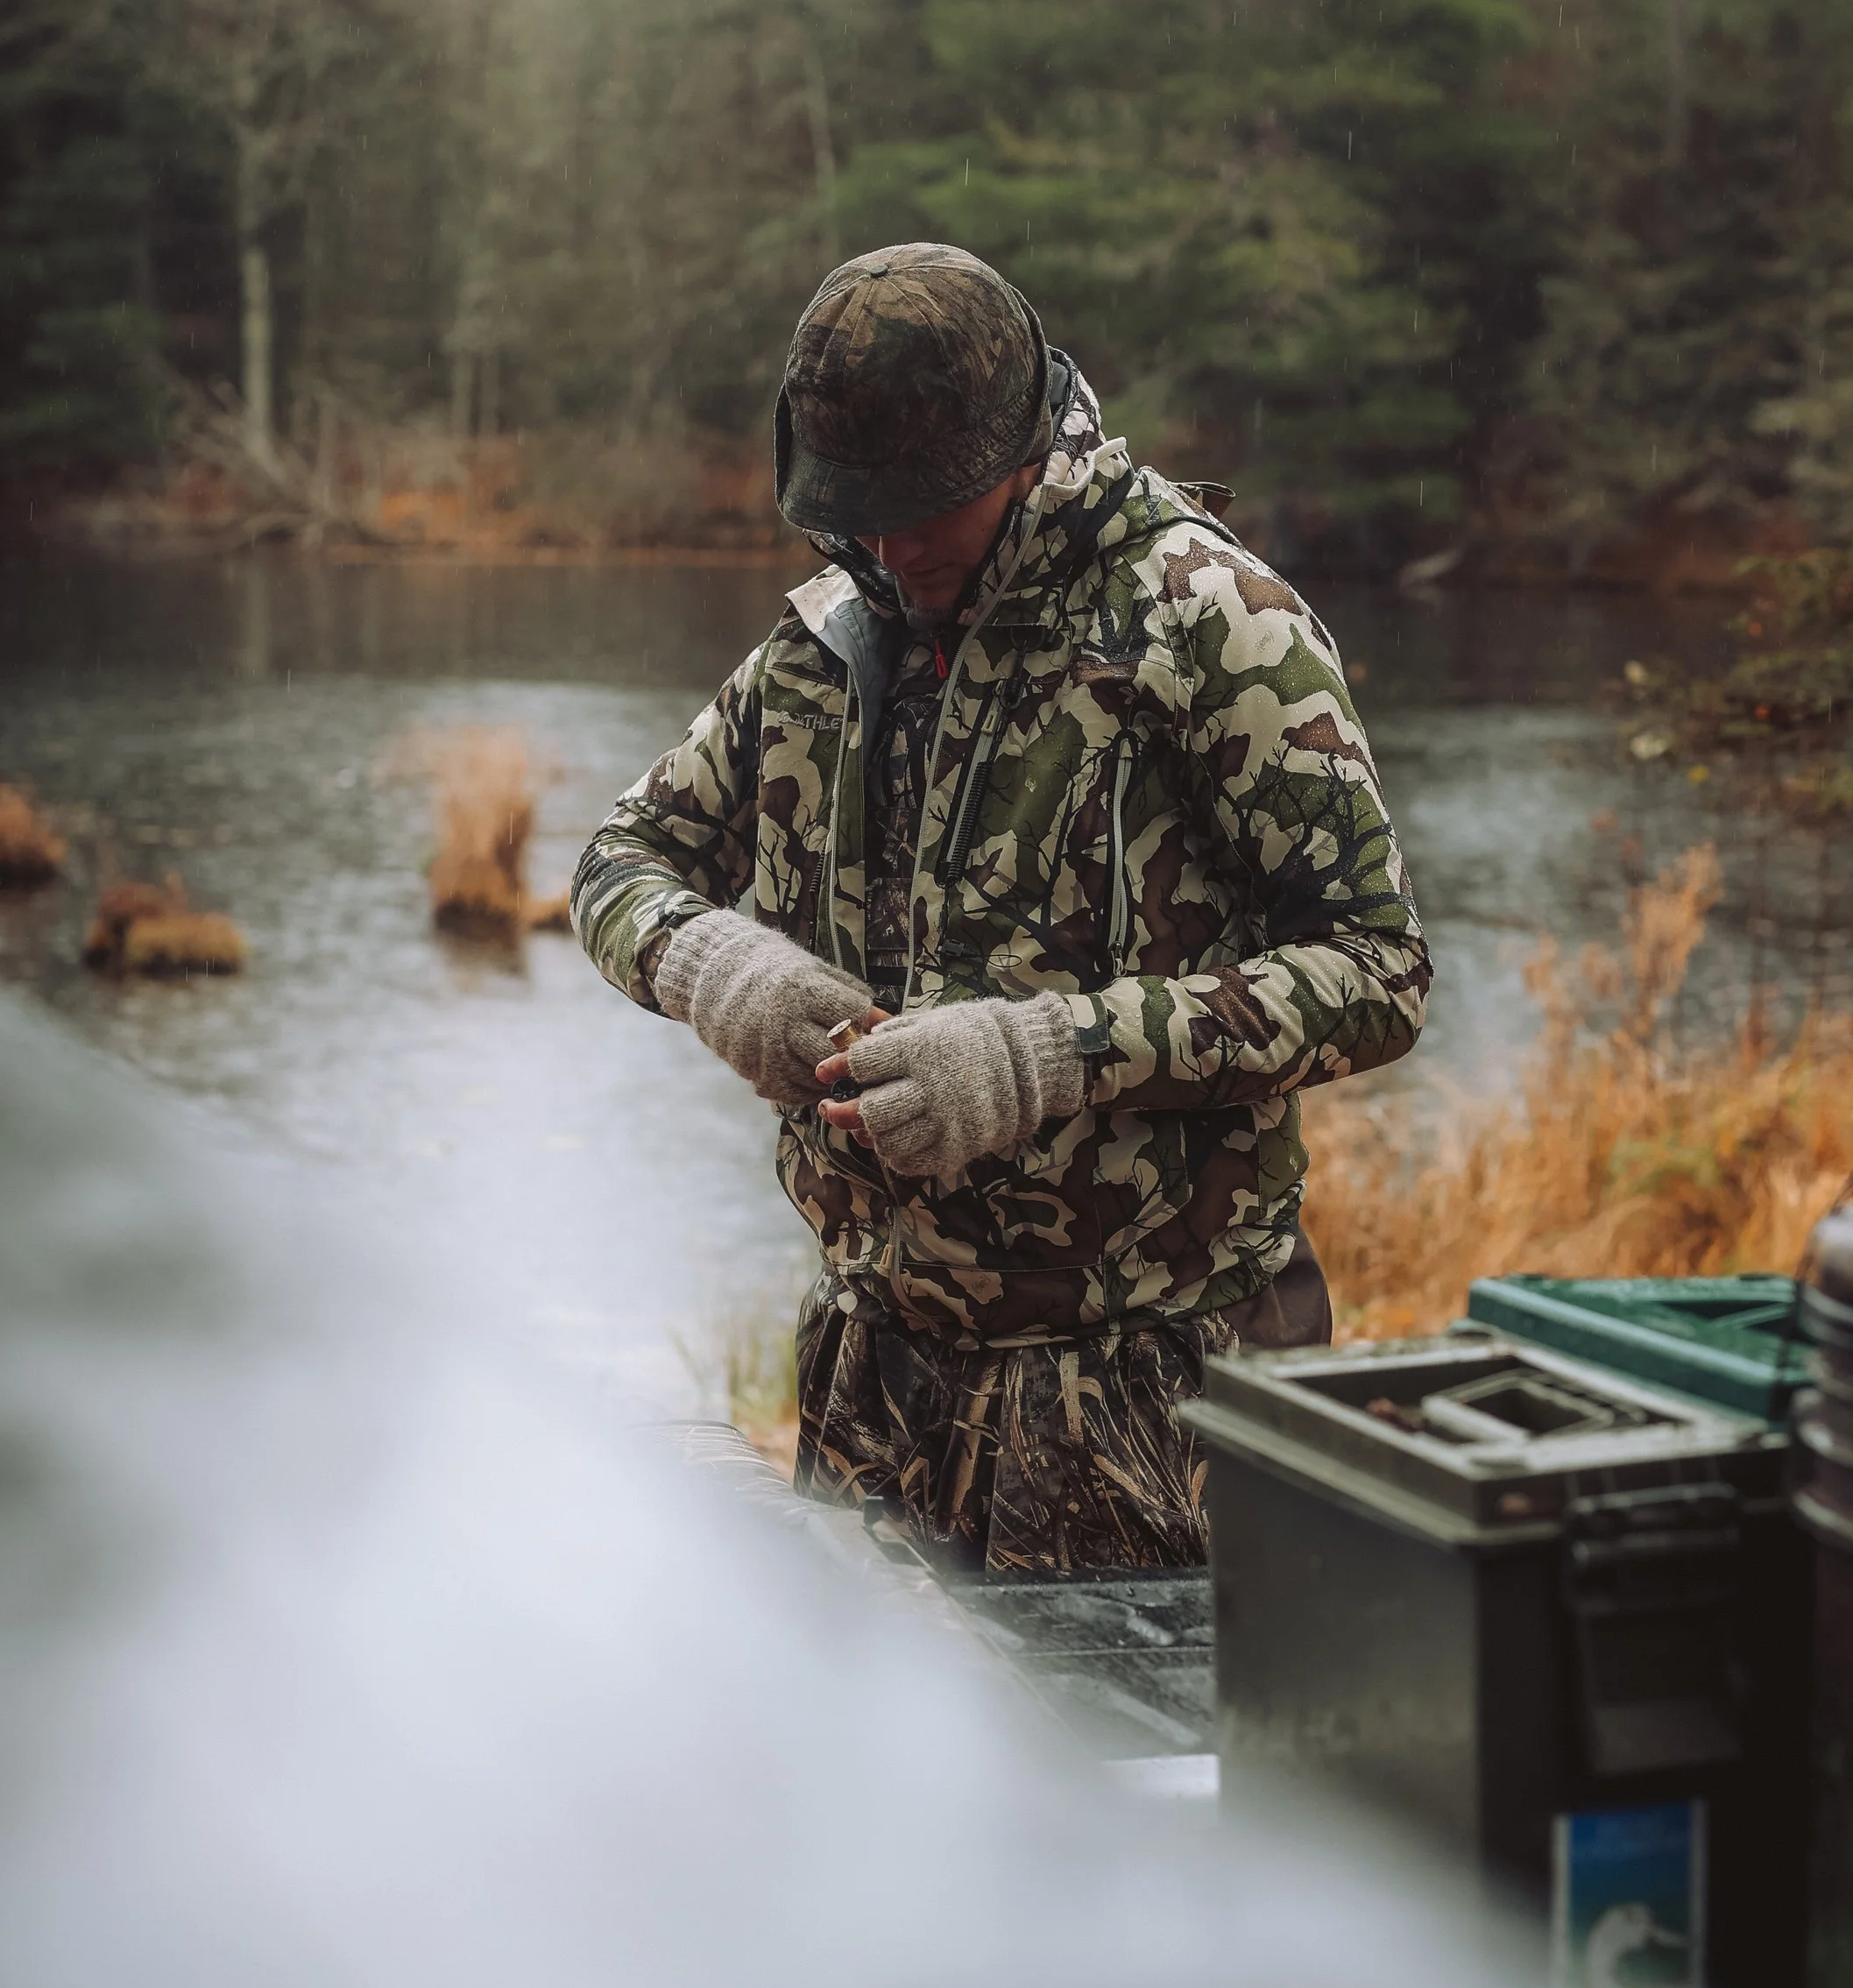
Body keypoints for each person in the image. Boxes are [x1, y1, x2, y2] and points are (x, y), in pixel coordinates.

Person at [572, 242, 1431, 1577]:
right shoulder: (820, 651)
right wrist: (712, 966)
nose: (893, 544)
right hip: (871, 1381)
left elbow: (1377, 970)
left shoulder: (1210, 624)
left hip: (1145, 1387)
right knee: (869, 1785)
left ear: (1023, 453)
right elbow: (620, 860)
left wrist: (1056, 1053)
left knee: (1130, 1784)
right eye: (859, 511)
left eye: (927, 507)